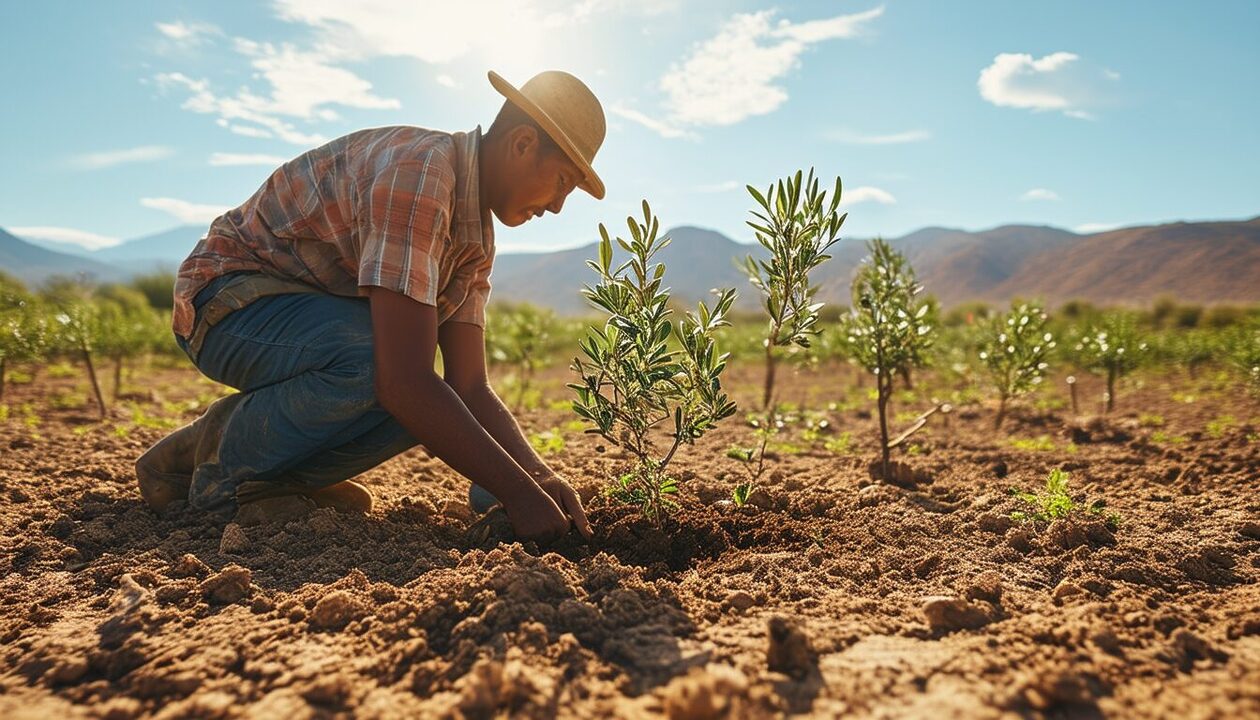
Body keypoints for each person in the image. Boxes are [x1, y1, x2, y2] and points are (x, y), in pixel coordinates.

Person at [135, 70, 604, 543]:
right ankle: (218, 472)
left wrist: (538, 478)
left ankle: (268, 481)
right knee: (386, 364)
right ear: (523, 143)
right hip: (224, 300)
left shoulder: (475, 243)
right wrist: (519, 496)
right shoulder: (421, 172)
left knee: (435, 402)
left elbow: (469, 386)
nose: (559, 207)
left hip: (301, 320)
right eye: (562, 181)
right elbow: (402, 378)